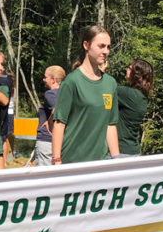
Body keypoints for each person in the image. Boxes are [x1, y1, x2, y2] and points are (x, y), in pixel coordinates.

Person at [51, 25, 120, 164]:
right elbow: (59, 123)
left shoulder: (110, 83)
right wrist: (56, 159)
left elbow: (110, 125)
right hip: (72, 161)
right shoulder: (72, 81)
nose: (106, 51)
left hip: (100, 162)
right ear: (86, 45)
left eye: (108, 47)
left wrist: (116, 159)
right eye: (101, 46)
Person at [116, 59, 153, 157]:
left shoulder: (128, 94)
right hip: (133, 150)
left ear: (136, 74)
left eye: (129, 68)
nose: (126, 69)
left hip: (120, 151)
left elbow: (104, 89)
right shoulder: (141, 95)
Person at [31, 66, 63, 167]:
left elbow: (57, 110)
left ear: (53, 80)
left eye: (45, 77)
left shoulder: (51, 93)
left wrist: (49, 121)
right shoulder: (66, 93)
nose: (43, 80)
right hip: (61, 142)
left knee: (44, 175)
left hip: (46, 141)